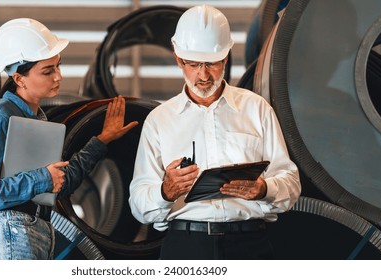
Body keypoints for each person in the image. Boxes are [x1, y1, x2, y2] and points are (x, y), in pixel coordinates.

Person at [128, 5, 301, 260]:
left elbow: (291, 184)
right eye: (193, 64)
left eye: (212, 63)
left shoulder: (256, 109)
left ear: (226, 57)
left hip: (250, 246)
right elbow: (139, 206)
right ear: (179, 60)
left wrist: (264, 189)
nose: (203, 74)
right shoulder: (159, 121)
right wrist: (166, 191)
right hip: (186, 248)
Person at [0, 18, 138, 260]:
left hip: (36, 232)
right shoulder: (0, 117)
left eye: (58, 66)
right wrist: (42, 178)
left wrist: (102, 140)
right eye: (48, 70)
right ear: (19, 79)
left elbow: (58, 183)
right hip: (13, 234)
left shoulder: (36, 119)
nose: (58, 77)